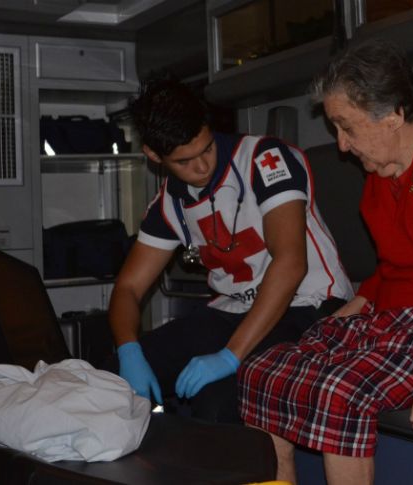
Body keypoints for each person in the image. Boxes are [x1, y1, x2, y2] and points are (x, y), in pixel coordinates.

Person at [238, 38, 413, 485]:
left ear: (393, 115)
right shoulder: (380, 175)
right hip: (393, 321)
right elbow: (395, 267)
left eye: (346, 127)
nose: (341, 145)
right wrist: (354, 306)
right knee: (260, 373)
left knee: (340, 393)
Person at [108, 71, 354, 423]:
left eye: (207, 148)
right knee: (108, 380)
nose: (202, 166)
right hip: (233, 310)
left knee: (217, 399)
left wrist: (230, 357)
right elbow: (128, 288)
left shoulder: (265, 159)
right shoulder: (168, 204)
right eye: (184, 161)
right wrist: (128, 351)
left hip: (308, 306)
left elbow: (290, 263)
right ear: (153, 155)